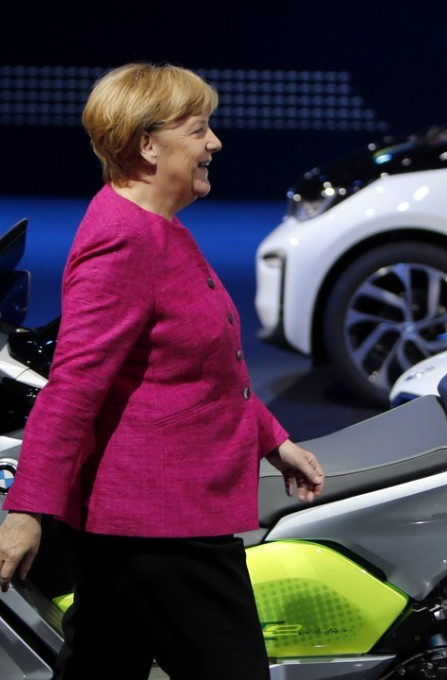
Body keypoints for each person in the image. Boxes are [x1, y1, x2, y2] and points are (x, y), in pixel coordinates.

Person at [0, 62, 324, 679]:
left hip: (145, 521)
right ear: (147, 145)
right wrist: (26, 510)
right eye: (199, 129)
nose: (215, 144)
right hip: (161, 524)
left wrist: (272, 440)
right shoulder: (124, 241)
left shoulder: (158, 227)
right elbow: (74, 387)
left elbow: (195, 367)